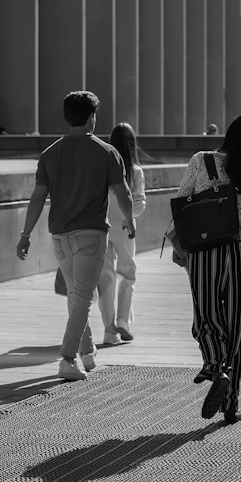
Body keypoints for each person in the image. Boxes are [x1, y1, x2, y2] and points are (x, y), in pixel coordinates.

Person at [17, 90, 135, 382]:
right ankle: (68, 359)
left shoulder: (50, 153)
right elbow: (124, 193)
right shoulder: (107, 152)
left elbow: (37, 197)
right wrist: (130, 221)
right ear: (92, 117)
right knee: (82, 297)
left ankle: (87, 352)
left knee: (75, 295)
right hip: (91, 234)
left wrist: (25, 234)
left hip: (60, 235)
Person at [176, 112, 241, 424]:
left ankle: (214, 363)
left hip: (207, 247)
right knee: (238, 324)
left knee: (206, 312)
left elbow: (182, 200)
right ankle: (230, 405)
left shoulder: (202, 160)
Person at [97, 122, 147, 346]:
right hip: (125, 227)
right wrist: (129, 217)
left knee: (105, 278)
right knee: (128, 274)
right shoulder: (135, 171)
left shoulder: (103, 166)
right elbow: (139, 204)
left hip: (102, 225)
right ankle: (123, 321)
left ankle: (109, 331)